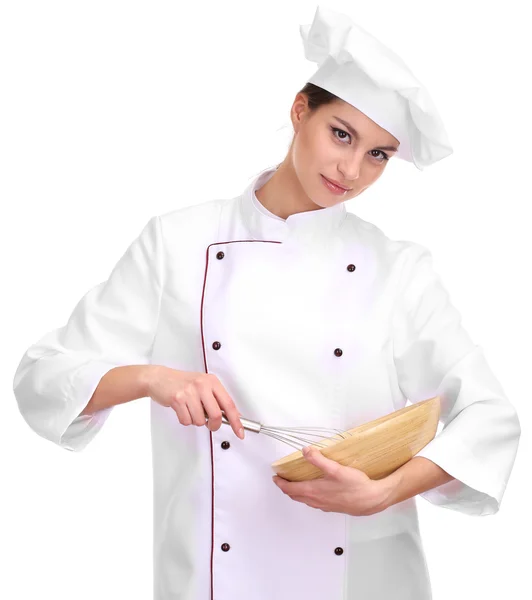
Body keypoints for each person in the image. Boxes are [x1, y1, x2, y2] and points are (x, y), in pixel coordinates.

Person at [12, 6, 521, 600]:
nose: (352, 170)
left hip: (363, 576)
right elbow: (44, 377)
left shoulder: (399, 269)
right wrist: (155, 378)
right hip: (212, 577)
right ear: (300, 111)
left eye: (378, 155)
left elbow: (490, 417)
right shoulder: (179, 241)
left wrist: (385, 491)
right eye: (342, 134)